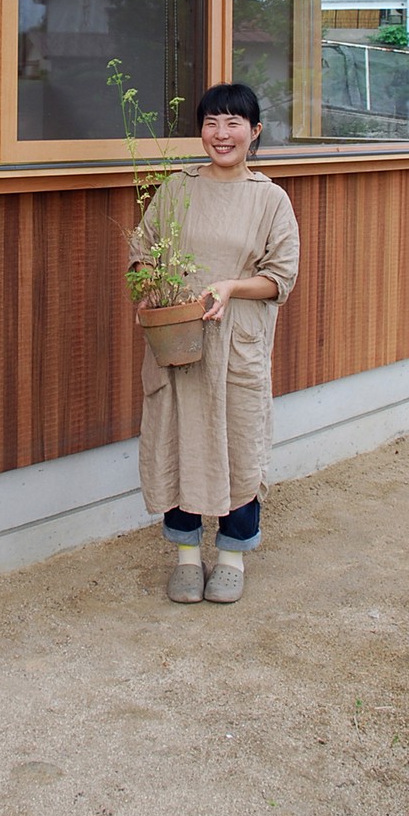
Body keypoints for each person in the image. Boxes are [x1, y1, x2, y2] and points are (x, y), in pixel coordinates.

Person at [130, 83, 300, 605]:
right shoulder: (176, 189)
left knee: (238, 445)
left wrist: (230, 287)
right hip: (179, 343)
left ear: (255, 132)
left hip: (236, 346)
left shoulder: (269, 198)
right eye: (211, 122)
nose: (220, 134)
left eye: (233, 123)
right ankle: (185, 556)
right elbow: (142, 254)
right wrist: (146, 291)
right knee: (177, 442)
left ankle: (231, 555)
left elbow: (281, 279)